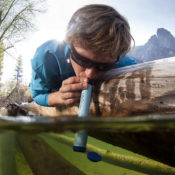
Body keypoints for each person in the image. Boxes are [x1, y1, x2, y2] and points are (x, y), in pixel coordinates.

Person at [30, 4, 136, 107]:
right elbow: (37, 94)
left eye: (103, 67)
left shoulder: (124, 62)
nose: (90, 74)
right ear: (69, 43)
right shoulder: (46, 57)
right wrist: (59, 97)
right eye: (82, 60)